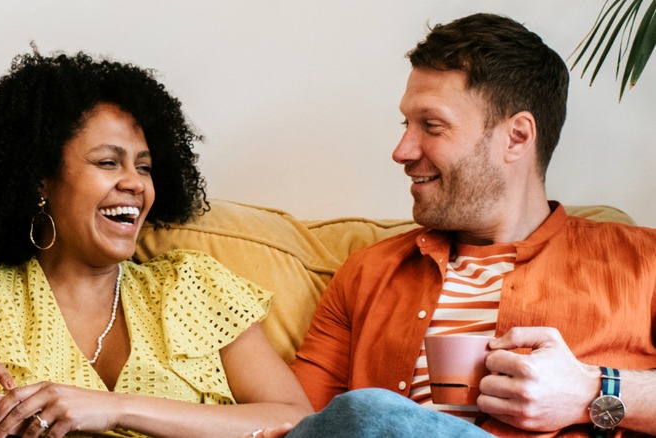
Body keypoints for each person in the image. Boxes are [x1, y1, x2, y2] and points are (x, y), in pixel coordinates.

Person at [252, 12, 656, 438]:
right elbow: (301, 423)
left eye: (431, 126)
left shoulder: (643, 262)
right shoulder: (367, 275)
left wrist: (593, 390)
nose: (402, 151)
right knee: (365, 412)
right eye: (406, 125)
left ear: (517, 137)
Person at [0, 50, 312, 438]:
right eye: (108, 162)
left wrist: (116, 408)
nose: (135, 183)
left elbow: (298, 420)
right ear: (40, 180)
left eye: (144, 167)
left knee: (356, 411)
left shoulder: (192, 286)